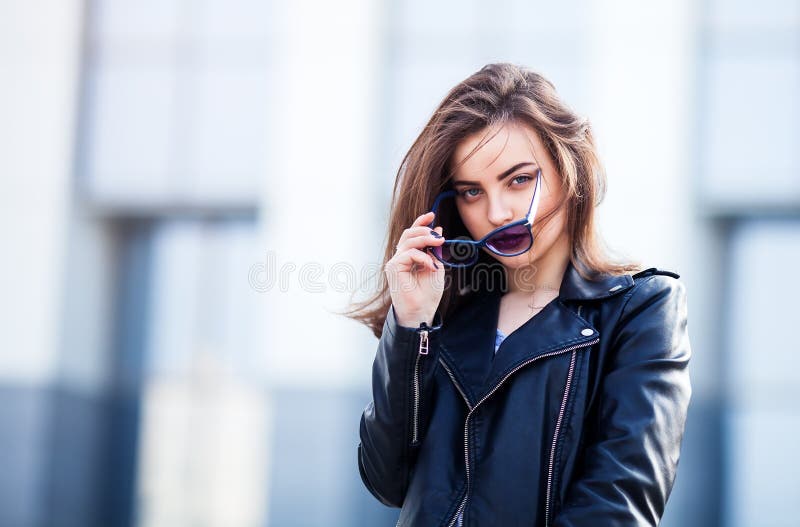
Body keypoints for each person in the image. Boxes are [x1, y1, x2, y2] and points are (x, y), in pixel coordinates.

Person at [346, 63, 691, 526]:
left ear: (569, 172)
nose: (496, 211)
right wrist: (410, 325)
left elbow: (618, 505)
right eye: (471, 191)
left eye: (519, 179)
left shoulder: (642, 310)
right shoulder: (445, 316)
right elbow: (387, 481)